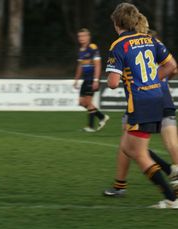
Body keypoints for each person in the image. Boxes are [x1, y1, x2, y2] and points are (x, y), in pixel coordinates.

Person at [105, 3, 178, 208]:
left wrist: (121, 76)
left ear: (117, 23)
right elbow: (171, 65)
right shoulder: (151, 40)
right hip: (156, 99)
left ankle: (172, 199)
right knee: (129, 147)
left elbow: (111, 83)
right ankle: (169, 172)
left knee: (137, 153)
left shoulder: (119, 45)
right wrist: (153, 80)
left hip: (140, 102)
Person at [73, 28, 109, 132]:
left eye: (84, 36)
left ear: (88, 37)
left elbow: (98, 65)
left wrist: (96, 80)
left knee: (88, 102)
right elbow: (80, 66)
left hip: (92, 79)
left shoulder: (93, 48)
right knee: (81, 102)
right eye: (80, 36)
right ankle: (102, 117)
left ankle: (91, 126)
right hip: (85, 79)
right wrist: (76, 79)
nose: (82, 38)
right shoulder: (81, 50)